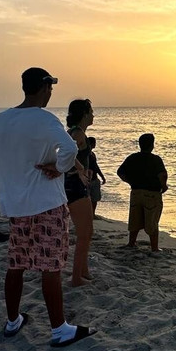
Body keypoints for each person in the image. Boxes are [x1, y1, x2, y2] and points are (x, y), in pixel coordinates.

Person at [0, 67, 94, 347]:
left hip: (16, 206)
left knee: (17, 264)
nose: (51, 93)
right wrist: (59, 168)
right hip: (47, 203)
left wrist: (4, 179)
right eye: (50, 88)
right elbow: (70, 150)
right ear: (45, 88)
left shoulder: (2, 119)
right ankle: (59, 328)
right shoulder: (45, 119)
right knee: (50, 267)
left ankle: (13, 320)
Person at [117, 133, 168, 253]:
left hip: (136, 192)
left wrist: (129, 182)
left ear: (140, 145)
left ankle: (131, 243)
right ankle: (154, 248)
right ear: (152, 145)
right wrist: (164, 186)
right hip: (151, 193)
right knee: (152, 221)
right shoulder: (155, 159)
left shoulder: (132, 157)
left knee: (134, 218)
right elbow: (162, 174)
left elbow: (120, 172)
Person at [64, 99, 95, 286]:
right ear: (84, 114)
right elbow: (64, 153)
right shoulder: (77, 133)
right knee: (84, 234)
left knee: (88, 232)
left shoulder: (76, 132)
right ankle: (76, 277)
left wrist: (85, 168)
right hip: (75, 189)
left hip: (77, 186)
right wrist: (79, 168)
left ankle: (84, 271)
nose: (93, 115)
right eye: (91, 111)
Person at [85, 136, 106, 218]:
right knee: (90, 198)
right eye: (94, 143)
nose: (95, 145)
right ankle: (90, 214)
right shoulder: (85, 155)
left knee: (94, 198)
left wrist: (102, 176)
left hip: (94, 178)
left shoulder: (92, 154)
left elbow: (96, 167)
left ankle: (92, 213)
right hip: (88, 179)